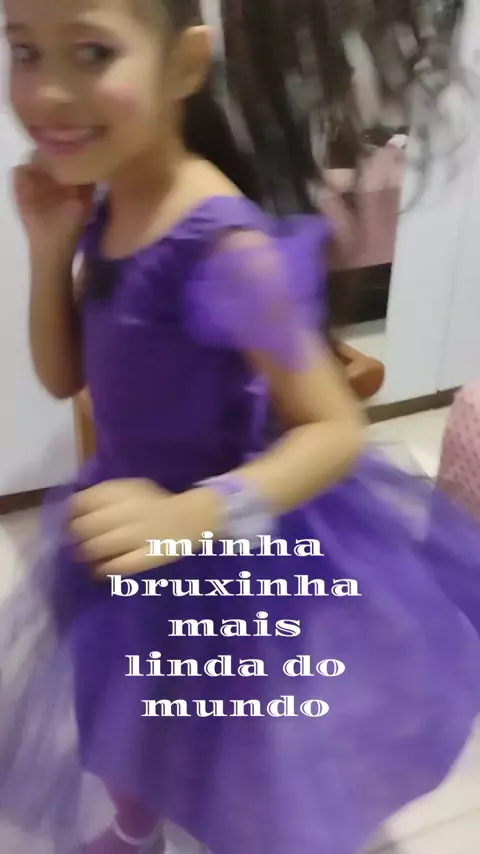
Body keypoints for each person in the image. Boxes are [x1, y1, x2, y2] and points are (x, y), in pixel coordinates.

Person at [0, 1, 479, 854]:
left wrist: (193, 515)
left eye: (92, 52)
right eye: (24, 50)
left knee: (231, 743)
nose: (49, 91)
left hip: (224, 547)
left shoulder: (221, 244)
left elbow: (332, 428)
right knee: (127, 703)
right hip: (129, 528)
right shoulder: (112, 199)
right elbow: (64, 374)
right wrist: (48, 248)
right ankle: (136, 825)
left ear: (185, 64)